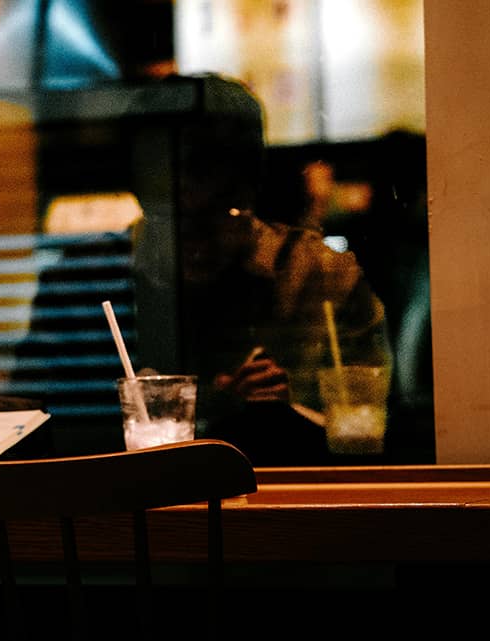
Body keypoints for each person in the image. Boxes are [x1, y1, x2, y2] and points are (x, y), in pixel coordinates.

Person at [167, 74, 393, 466]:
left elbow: (375, 415)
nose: (193, 245)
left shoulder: (321, 274)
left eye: (213, 216)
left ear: (247, 188)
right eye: (170, 217)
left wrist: (291, 410)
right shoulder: (108, 272)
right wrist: (212, 406)